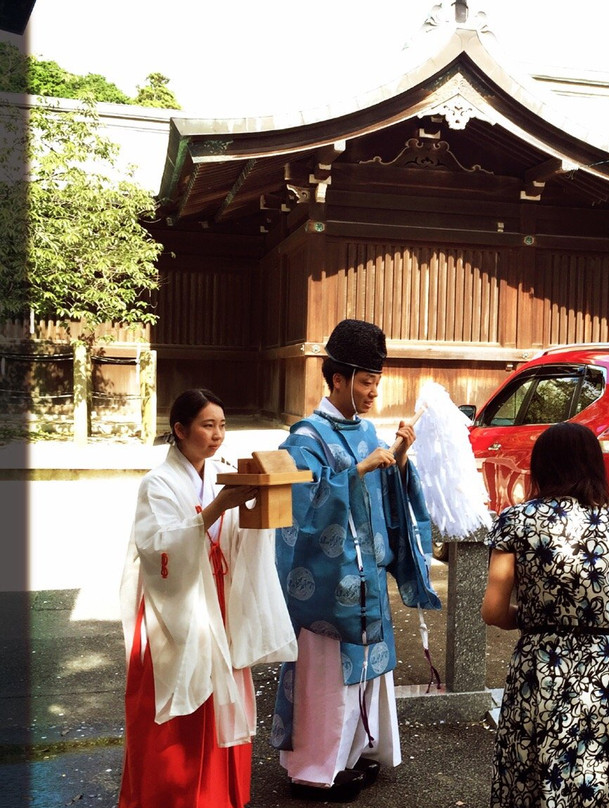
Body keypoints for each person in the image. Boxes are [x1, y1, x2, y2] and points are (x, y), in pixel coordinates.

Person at [271, 318, 441, 800]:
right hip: (328, 588)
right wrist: (356, 472)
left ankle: (357, 752)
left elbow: (383, 494)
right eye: (366, 382)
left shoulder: (366, 432)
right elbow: (299, 518)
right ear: (338, 379)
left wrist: (399, 458)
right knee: (328, 679)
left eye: (376, 383)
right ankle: (315, 768)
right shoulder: (305, 439)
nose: (373, 393)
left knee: (368, 677)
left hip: (366, 579)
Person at [118, 388, 298, 808]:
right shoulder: (158, 483)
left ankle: (219, 796)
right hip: (177, 606)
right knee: (181, 703)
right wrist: (217, 507)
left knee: (221, 699)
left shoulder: (222, 473)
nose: (217, 434)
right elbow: (158, 547)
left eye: (221, 425)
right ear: (180, 430)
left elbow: (237, 537)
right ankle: (171, 797)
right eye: (207, 425)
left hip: (219, 597)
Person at [481, 421, 609, 808]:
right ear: (595, 467)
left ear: (541, 467)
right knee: (602, 775)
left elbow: (493, 611)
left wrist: (529, 619)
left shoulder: (515, 522)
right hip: (606, 673)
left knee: (531, 769)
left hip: (538, 668)